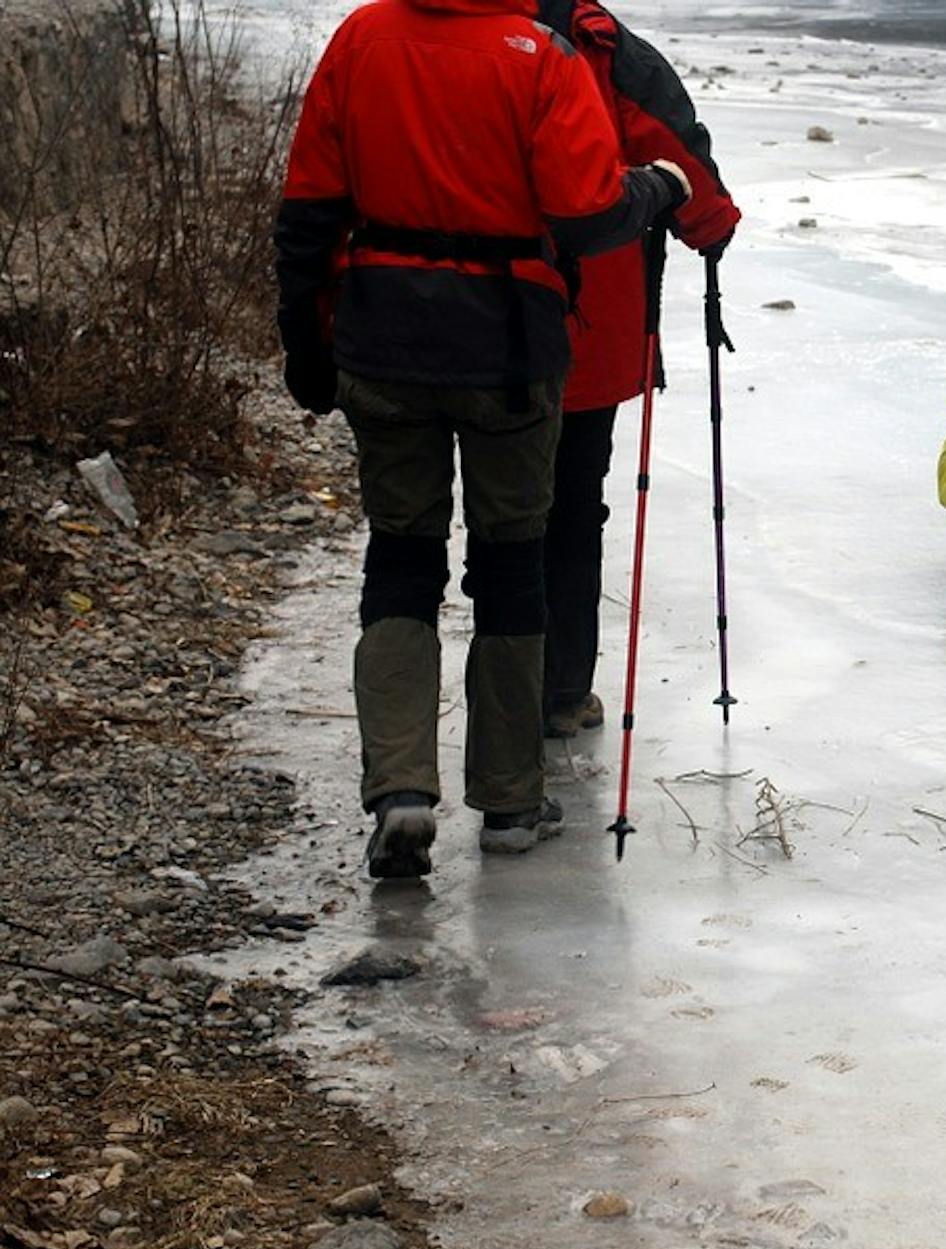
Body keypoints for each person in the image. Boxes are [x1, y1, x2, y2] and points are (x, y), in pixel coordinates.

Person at [274, 0, 687, 878]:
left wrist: (305, 344)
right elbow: (586, 212)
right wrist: (660, 188)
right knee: (510, 561)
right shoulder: (540, 55)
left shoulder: (361, 38)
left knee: (400, 557)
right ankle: (507, 800)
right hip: (508, 347)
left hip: (383, 338)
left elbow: (308, 211)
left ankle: (400, 790)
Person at [536, 0, 740, 740]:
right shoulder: (605, 49)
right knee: (573, 505)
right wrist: (710, 226)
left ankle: (502, 694)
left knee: (501, 512)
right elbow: (679, 156)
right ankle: (560, 690)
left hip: (457, 324)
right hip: (588, 327)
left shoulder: (429, 34)